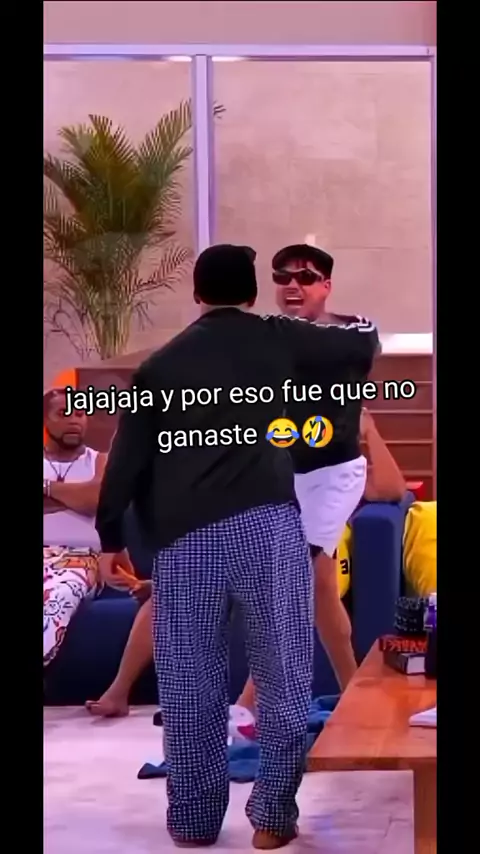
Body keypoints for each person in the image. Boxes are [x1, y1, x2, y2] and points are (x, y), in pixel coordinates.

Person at [95, 245, 316, 850]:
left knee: (189, 683)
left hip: (186, 536)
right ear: (253, 294)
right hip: (268, 528)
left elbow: (127, 460)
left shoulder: (161, 367)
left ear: (196, 295)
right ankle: (272, 816)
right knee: (284, 673)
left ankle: (194, 820)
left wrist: (111, 536)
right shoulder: (283, 347)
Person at [85, 406, 405, 719]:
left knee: (302, 585)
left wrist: (369, 431)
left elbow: (391, 489)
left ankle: (249, 705)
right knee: (174, 589)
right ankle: (119, 692)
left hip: (296, 538)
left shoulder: (336, 460)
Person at [43, 389, 107, 665]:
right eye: (63, 414)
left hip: (80, 559)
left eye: (80, 414)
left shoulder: (100, 460)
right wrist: (74, 496)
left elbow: (96, 500)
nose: (73, 421)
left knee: (59, 596)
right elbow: (84, 497)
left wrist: (48, 488)